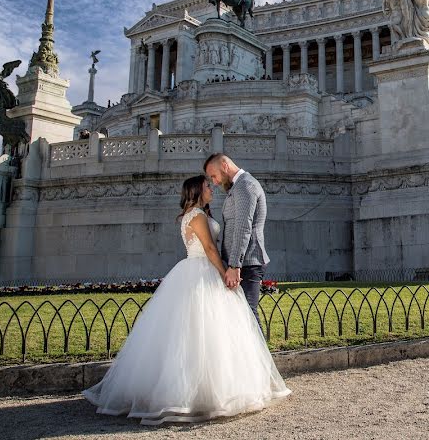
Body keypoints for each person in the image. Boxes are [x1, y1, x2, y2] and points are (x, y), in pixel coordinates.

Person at [82, 175, 289, 425]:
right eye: (207, 185)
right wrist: (226, 273)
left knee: (204, 334)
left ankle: (205, 392)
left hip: (197, 271)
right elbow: (210, 249)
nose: (211, 188)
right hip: (201, 271)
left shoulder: (195, 214)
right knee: (200, 333)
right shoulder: (197, 216)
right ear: (196, 190)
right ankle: (198, 394)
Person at [203, 153, 269, 323]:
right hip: (240, 264)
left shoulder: (245, 186)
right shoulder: (237, 187)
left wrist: (234, 265)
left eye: (214, 176)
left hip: (246, 264)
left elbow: (243, 227)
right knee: (239, 319)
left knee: (247, 316)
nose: (215, 182)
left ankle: (260, 351)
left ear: (225, 166)